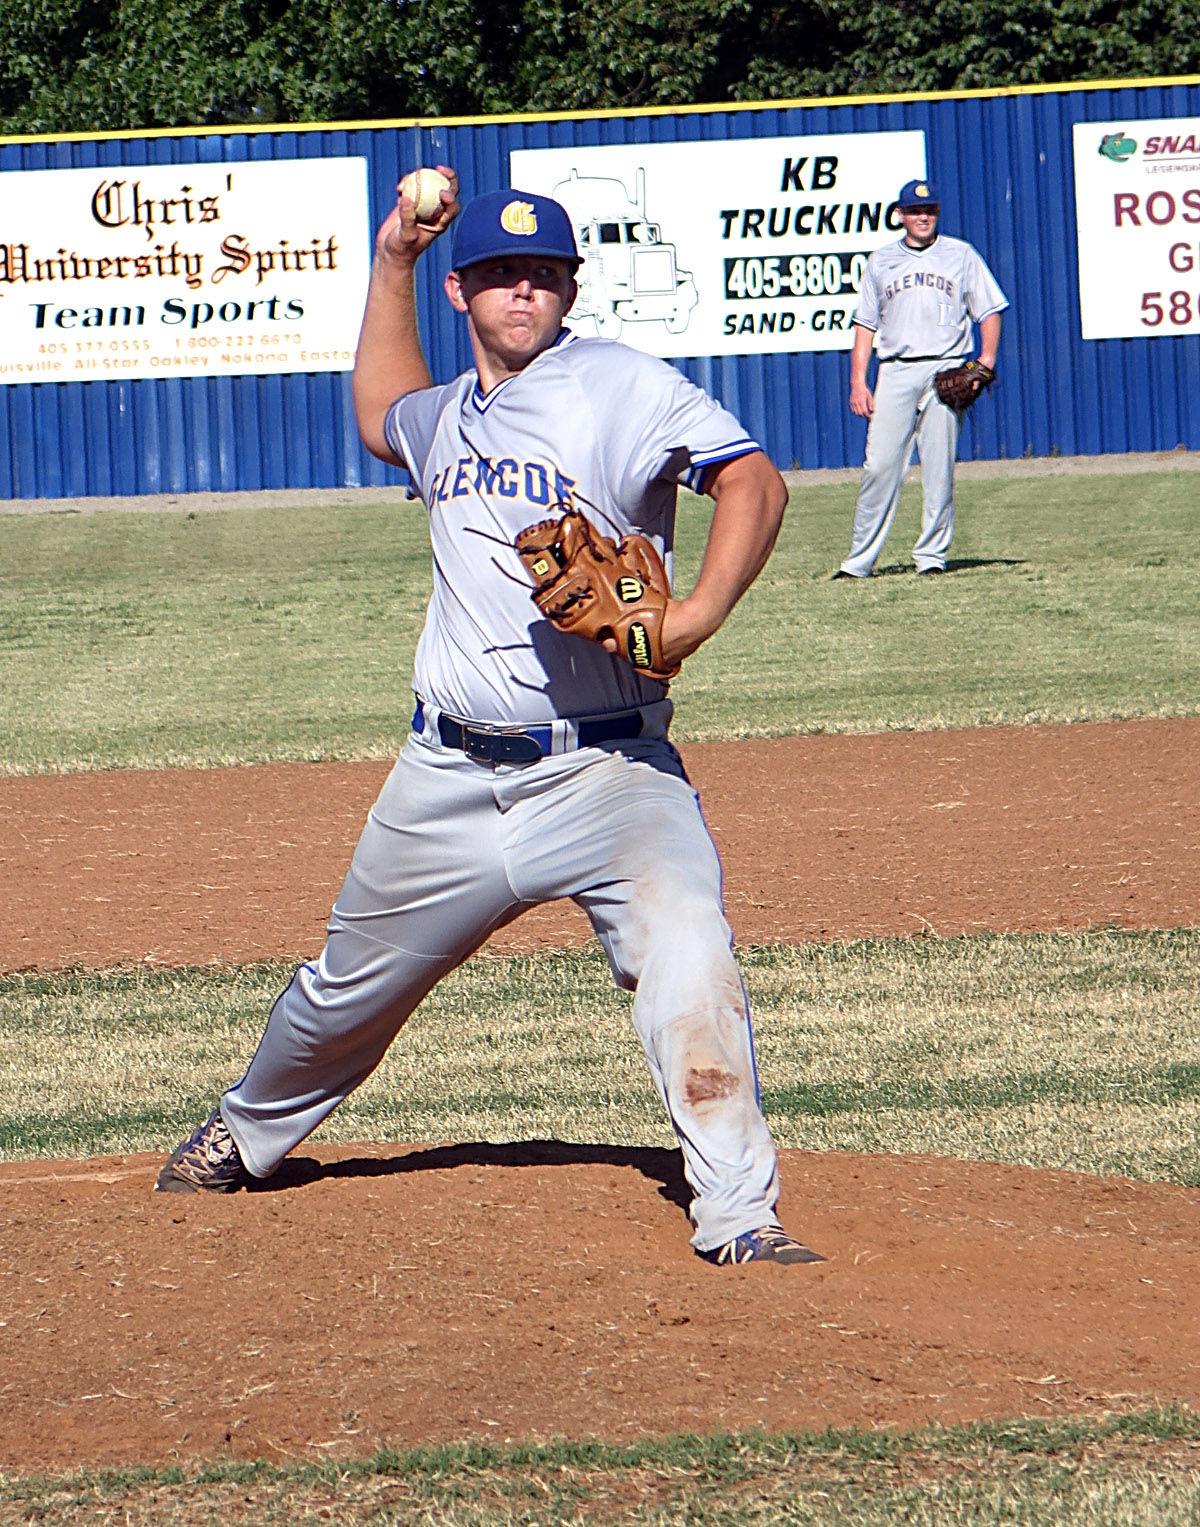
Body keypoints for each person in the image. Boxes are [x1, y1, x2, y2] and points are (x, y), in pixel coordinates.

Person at [155, 170, 826, 1268]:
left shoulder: (621, 385)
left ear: (569, 291)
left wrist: (694, 616)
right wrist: (391, 264)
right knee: (342, 994)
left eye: (546, 277)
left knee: (690, 957)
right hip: (448, 781)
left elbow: (754, 482)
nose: (526, 293)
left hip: (610, 775)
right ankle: (247, 1130)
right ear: (464, 291)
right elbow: (382, 413)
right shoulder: (445, 420)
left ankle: (740, 1212)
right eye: (504, 276)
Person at [832, 178, 1008, 580]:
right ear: (901, 215)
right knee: (879, 466)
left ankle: (931, 557)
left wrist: (985, 359)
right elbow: (864, 325)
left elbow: (990, 310)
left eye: (928, 211)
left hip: (945, 367)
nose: (922, 217)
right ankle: (858, 562)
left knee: (938, 467)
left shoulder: (960, 255)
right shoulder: (881, 260)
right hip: (894, 369)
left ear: (937, 214)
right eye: (914, 211)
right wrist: (859, 382)